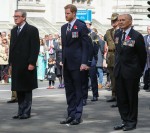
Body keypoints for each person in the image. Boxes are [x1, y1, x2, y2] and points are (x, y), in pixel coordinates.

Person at [114, 14, 146, 131]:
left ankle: (132, 122)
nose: (120, 22)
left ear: (130, 22)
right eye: (119, 20)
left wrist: (138, 71)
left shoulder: (136, 36)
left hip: (131, 73)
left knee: (131, 99)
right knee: (121, 99)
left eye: (123, 20)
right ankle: (125, 120)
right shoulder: (117, 34)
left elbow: (142, 56)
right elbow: (118, 53)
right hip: (119, 72)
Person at [60, 4, 89, 125]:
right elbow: (65, 46)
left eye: (68, 13)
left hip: (77, 64)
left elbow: (86, 46)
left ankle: (77, 115)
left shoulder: (81, 26)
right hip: (67, 64)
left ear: (74, 13)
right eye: (65, 13)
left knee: (78, 90)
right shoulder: (63, 28)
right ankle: (70, 114)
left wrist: (84, 62)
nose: (66, 15)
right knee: (69, 90)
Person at [9, 9, 40, 119]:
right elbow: (11, 48)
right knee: (18, 88)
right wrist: (10, 63)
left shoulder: (32, 30)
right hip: (17, 65)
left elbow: (35, 48)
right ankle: (20, 110)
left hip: (27, 64)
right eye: (14, 16)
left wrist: (32, 62)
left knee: (26, 89)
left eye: (17, 16)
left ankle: (26, 111)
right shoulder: (13, 31)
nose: (15, 18)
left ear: (24, 17)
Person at [105, 13, 119, 103]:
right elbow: (106, 45)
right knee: (112, 77)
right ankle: (114, 95)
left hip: (118, 56)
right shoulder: (108, 32)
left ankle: (119, 96)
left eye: (115, 20)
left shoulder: (121, 31)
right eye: (112, 21)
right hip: (110, 57)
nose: (113, 22)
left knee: (118, 77)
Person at [143, 26, 150, 92]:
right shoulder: (144, 38)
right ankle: (146, 84)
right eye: (148, 29)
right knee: (145, 71)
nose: (149, 30)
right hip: (146, 57)